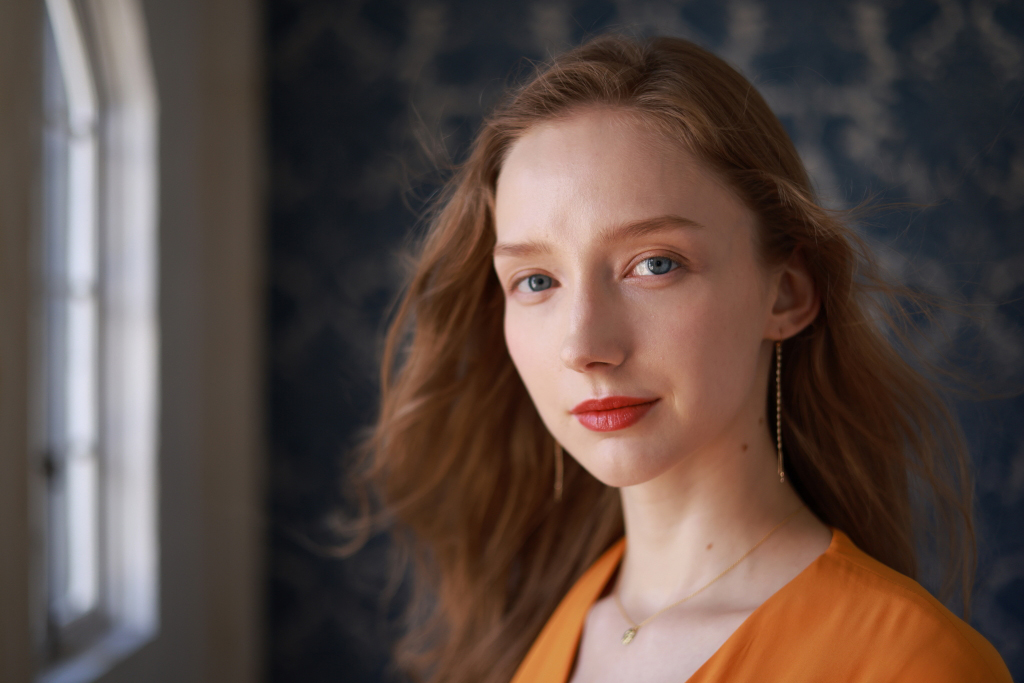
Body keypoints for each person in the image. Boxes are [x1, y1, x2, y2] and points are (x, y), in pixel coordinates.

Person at [355, 34, 1013, 683]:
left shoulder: (914, 664)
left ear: (785, 293)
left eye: (655, 264)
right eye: (535, 280)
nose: (584, 347)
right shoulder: (540, 634)